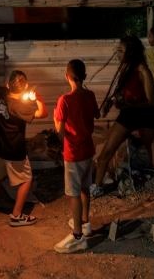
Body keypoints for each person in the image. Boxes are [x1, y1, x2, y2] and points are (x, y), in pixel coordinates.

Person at [91, 35, 154, 210]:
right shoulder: (124, 68)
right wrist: (111, 102)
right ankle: (97, 187)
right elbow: (121, 93)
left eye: (121, 50)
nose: (117, 53)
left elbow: (151, 101)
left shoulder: (143, 70)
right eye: (117, 50)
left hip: (145, 117)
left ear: (131, 52)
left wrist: (128, 103)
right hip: (127, 116)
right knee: (106, 153)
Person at [0, 70, 48, 227]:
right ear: (24, 88)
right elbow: (43, 113)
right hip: (13, 150)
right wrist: (36, 98)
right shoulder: (20, 106)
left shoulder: (4, 94)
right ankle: (16, 216)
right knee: (26, 180)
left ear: (8, 85)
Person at [53, 59, 99, 253]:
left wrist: (56, 119)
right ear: (85, 77)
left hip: (73, 153)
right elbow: (96, 115)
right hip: (88, 150)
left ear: (67, 76)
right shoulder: (90, 95)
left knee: (73, 194)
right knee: (84, 188)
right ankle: (85, 222)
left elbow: (60, 131)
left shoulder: (64, 100)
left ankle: (78, 235)